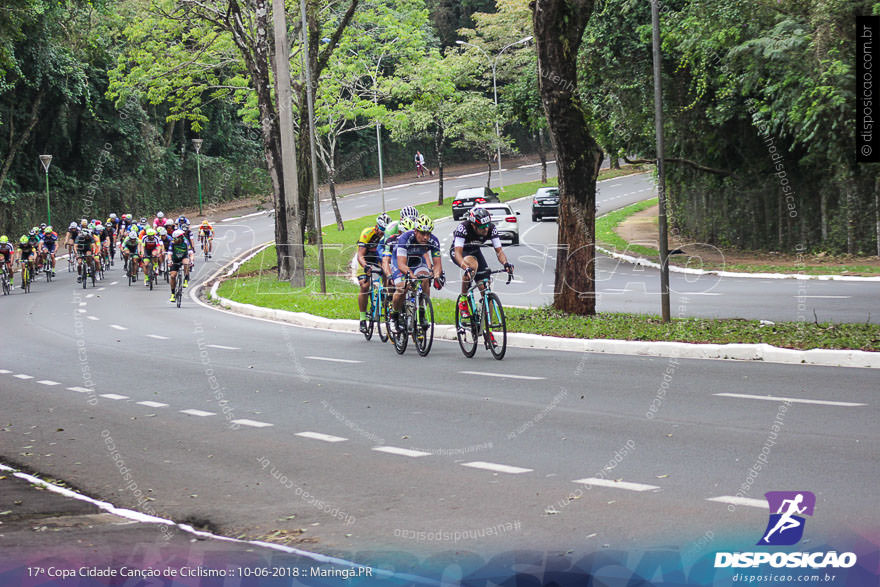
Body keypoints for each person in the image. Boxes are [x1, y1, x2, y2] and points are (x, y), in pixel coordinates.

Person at [450, 206, 513, 317]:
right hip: (460, 252)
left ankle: (486, 329)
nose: (486, 229)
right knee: (472, 265)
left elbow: (499, 252)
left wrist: (506, 263)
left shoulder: (491, 228)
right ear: (473, 225)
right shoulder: (463, 228)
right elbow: (458, 253)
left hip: (475, 251)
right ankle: (463, 299)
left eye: (487, 225)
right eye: (482, 227)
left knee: (486, 289)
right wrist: (465, 267)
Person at [389, 214, 444, 333]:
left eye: (428, 234)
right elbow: (402, 265)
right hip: (400, 261)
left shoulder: (433, 241)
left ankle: (422, 312)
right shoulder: (405, 238)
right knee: (402, 287)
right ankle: (394, 316)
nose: (426, 237)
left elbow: (437, 264)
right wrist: (412, 277)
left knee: (425, 279)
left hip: (417, 260)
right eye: (423, 233)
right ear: (415, 231)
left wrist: (437, 275)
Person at [356, 213, 391, 333]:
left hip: (378, 259)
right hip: (365, 259)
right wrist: (365, 266)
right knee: (365, 286)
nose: (382, 233)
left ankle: (388, 303)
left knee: (388, 277)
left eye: (385, 230)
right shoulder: (367, 233)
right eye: (381, 229)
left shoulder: (388, 236)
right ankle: (362, 319)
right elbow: (360, 255)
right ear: (376, 227)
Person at [168, 229, 193, 303]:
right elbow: (169, 253)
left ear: (181, 237)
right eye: (174, 238)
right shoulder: (172, 243)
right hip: (175, 259)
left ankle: (185, 279)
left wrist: (191, 260)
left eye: (176, 238)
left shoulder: (185, 242)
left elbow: (191, 253)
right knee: (173, 276)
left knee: (186, 263)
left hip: (183, 257)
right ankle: (172, 294)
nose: (175, 240)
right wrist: (169, 261)